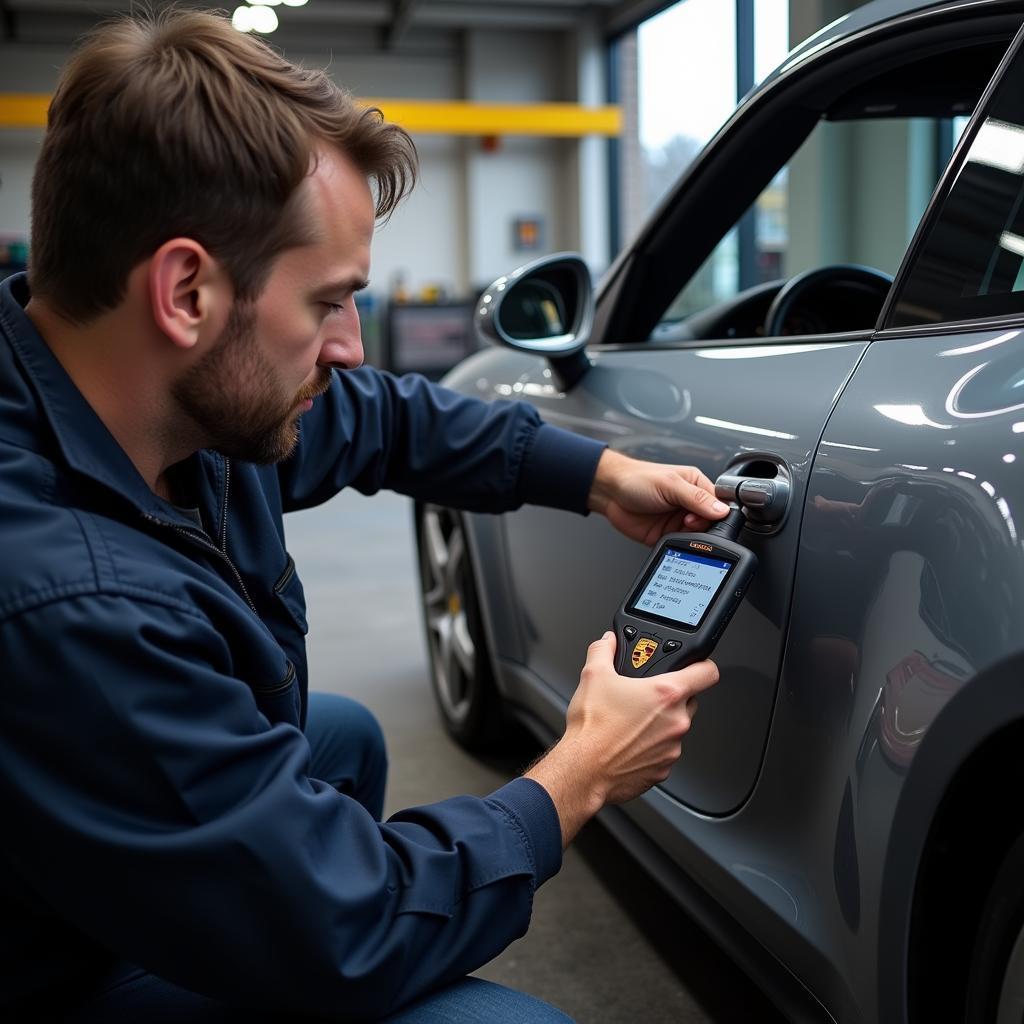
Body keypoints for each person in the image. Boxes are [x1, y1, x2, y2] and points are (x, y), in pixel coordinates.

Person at [0, 9, 728, 1022]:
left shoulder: (164, 398)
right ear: (186, 292)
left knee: (336, 738)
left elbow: (380, 417)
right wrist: (578, 774)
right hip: (53, 969)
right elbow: (355, 922)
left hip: (77, 877)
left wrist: (595, 471)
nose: (349, 346)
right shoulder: (63, 596)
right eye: (328, 302)